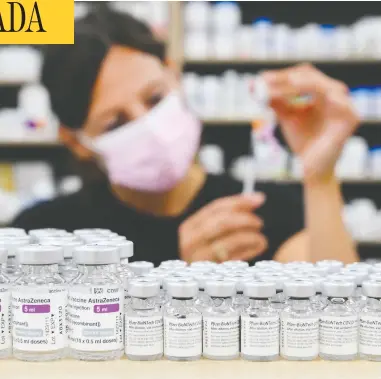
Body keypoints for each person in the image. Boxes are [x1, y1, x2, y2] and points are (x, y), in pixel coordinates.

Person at [11, 9, 359, 266]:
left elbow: (337, 320)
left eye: (155, 98)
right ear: (75, 141)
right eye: (116, 124)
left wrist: (320, 176)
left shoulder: (260, 212)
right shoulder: (44, 237)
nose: (150, 126)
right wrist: (182, 293)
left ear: (174, 76)